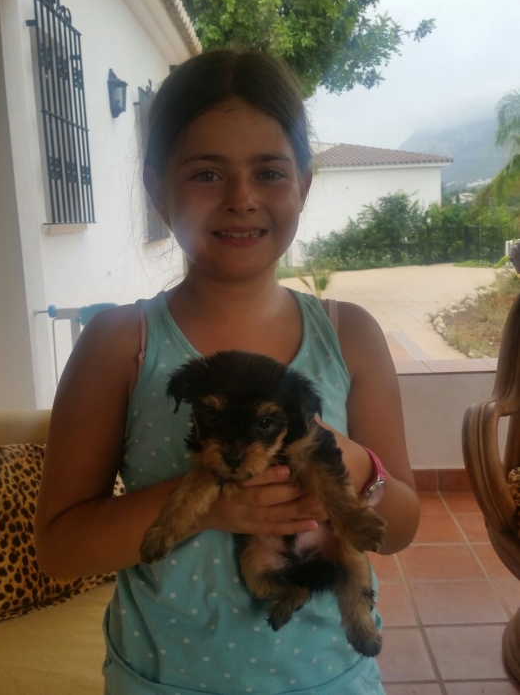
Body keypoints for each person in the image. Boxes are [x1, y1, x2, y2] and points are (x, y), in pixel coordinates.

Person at [34, 49, 420, 695]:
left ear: (303, 185)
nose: (241, 199)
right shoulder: (119, 345)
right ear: (158, 189)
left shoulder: (349, 335)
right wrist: (209, 506)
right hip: (160, 682)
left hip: (331, 680)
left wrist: (355, 466)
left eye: (269, 171)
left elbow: (402, 528)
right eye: (207, 174)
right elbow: (58, 548)